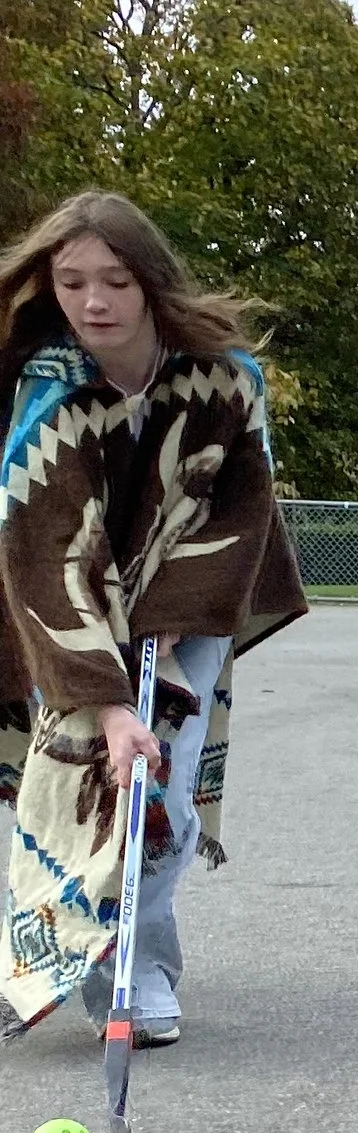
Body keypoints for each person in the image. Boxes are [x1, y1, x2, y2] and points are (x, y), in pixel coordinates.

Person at [0, 190, 305, 1047]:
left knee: (155, 789)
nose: (93, 302)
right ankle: (75, 959)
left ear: (151, 282)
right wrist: (108, 701)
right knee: (80, 778)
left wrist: (173, 617)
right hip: (69, 603)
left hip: (191, 607)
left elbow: (245, 510)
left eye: (115, 281)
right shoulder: (47, 382)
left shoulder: (228, 377)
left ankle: (140, 973)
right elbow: (45, 539)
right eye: (71, 281)